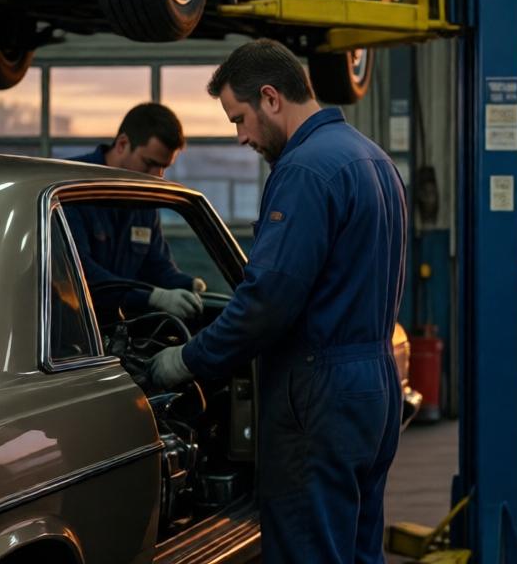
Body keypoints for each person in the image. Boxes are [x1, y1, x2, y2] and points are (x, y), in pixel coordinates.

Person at [147, 39, 408, 564]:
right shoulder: (372, 158)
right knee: (358, 548)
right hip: (374, 387)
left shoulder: (304, 170)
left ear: (270, 98)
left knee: (308, 550)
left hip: (317, 394)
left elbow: (265, 302)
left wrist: (187, 360)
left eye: (238, 118)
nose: (241, 136)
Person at [66, 103, 204, 321]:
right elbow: (77, 274)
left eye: (164, 167)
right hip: (71, 333)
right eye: (149, 163)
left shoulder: (143, 198)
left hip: (121, 330)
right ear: (122, 144)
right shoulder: (69, 187)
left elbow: (157, 265)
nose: (157, 176)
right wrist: (152, 297)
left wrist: (186, 284)